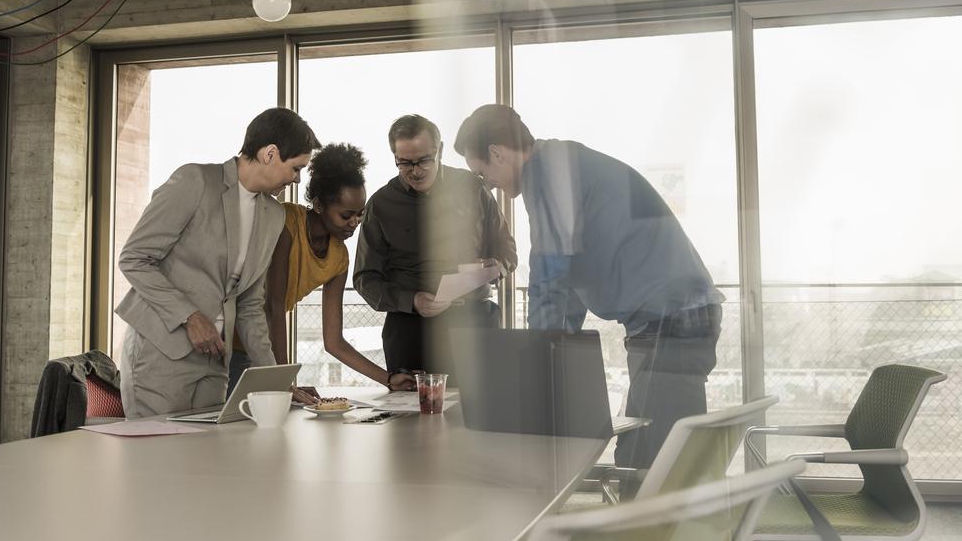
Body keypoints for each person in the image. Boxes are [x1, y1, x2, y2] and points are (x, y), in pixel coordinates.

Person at [453, 104, 723, 470]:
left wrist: (537, 363)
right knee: (644, 452)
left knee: (659, 461)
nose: (491, 185)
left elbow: (549, 277)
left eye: (483, 174)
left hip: (671, 319)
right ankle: (647, 524)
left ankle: (660, 527)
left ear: (497, 154)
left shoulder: (547, 174)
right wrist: (556, 353)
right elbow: (567, 280)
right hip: (672, 317)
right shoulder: (561, 163)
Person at [117, 108, 321, 418]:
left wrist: (277, 382)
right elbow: (134, 259)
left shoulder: (274, 215)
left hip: (215, 361)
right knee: (156, 461)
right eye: (296, 168)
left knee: (207, 458)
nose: (297, 180)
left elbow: (251, 305)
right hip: (159, 353)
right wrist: (190, 317)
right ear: (270, 154)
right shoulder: (194, 181)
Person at [227, 143, 416, 395]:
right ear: (318, 205)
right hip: (227, 341)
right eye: (346, 215)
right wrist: (285, 384)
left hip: (260, 352)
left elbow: (333, 341)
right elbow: (274, 306)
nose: (354, 223)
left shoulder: (339, 258)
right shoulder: (285, 223)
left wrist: (388, 379)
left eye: (360, 215)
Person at [354, 114, 518, 379]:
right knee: (410, 416)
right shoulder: (380, 204)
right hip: (409, 330)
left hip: (475, 323)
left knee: (482, 414)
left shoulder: (473, 189)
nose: (415, 171)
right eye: (404, 163)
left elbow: (508, 251)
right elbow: (365, 279)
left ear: (440, 151)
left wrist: (498, 265)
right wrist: (412, 300)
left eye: (424, 160)